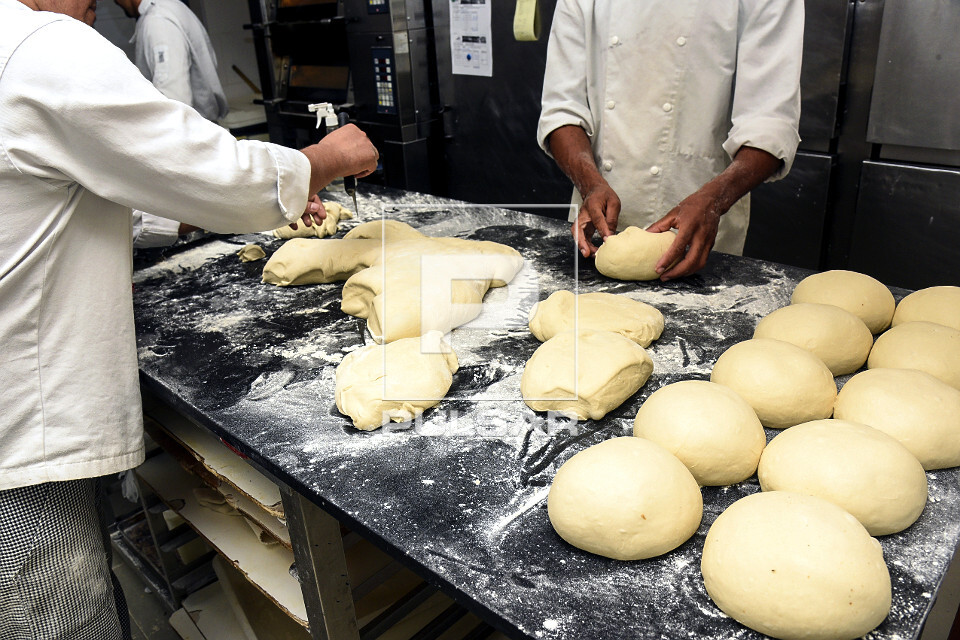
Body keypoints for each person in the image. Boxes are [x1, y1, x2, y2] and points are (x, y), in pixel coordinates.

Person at [0, 0, 378, 637]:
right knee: (57, 617)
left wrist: (189, 207)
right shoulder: (41, 46)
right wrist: (320, 158)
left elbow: (66, 189)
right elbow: (203, 166)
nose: (92, 12)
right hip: (21, 428)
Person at [538, 0, 803, 280]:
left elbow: (770, 123)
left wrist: (715, 200)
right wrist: (589, 183)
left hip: (702, 232)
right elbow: (562, 109)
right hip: (595, 230)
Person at [112, 0, 231, 248]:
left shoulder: (159, 22)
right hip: (200, 154)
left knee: (208, 247)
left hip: (194, 160)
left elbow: (173, 104)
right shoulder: (170, 7)